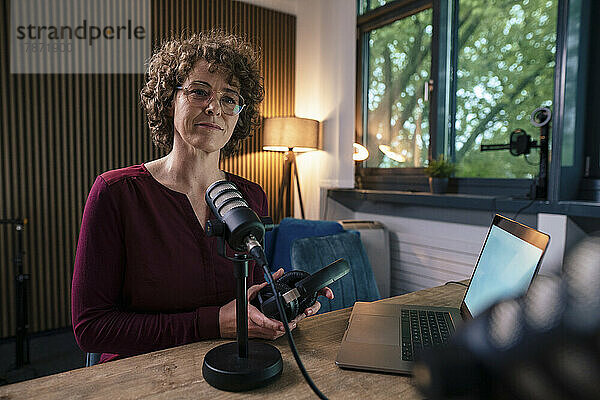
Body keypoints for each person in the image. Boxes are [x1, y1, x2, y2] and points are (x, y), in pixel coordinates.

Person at [71, 30, 333, 364]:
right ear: (169, 102)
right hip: (139, 375)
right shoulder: (116, 192)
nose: (214, 108)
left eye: (229, 98)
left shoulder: (251, 196)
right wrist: (209, 323)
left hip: (233, 363)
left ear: (239, 115)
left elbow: (243, 303)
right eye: (199, 92)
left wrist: (275, 306)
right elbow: (91, 328)